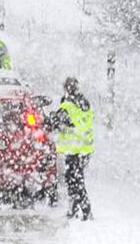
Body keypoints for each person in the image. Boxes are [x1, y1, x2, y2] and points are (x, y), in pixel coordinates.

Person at [51, 77, 94, 220]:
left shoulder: (67, 106)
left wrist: (51, 119)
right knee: (76, 180)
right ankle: (75, 210)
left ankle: (86, 212)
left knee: (74, 181)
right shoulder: (84, 103)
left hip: (74, 150)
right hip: (85, 149)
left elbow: (54, 122)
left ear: (66, 89)